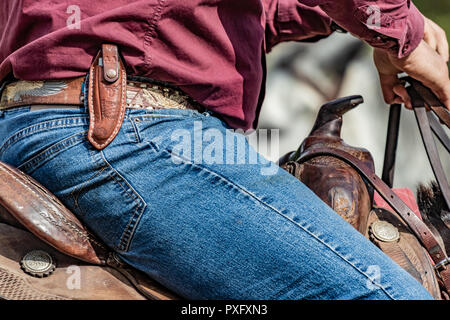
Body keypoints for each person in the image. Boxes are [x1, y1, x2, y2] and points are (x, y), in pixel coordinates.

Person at [0, 0, 448, 300]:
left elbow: (236, 17)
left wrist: (348, 20)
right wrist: (402, 34)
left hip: (26, 127)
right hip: (130, 128)